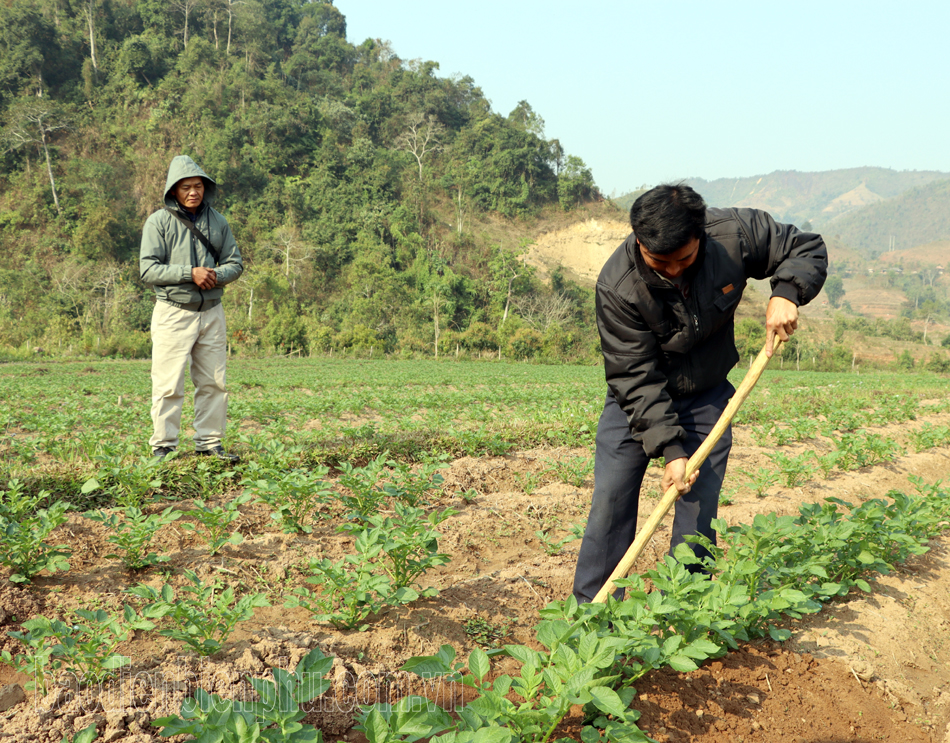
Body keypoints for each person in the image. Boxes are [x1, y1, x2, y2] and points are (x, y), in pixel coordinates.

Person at [573, 183, 827, 603]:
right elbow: (634, 375)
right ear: (640, 241)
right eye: (660, 262)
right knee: (612, 502)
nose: (673, 270)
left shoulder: (734, 234)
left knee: (698, 509)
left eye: (684, 259)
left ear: (701, 237)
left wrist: (786, 291)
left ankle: (685, 608)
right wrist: (672, 452)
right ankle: (592, 615)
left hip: (708, 397)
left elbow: (804, 247)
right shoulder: (618, 285)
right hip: (636, 400)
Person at [140, 155, 243, 462]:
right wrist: (190, 273)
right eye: (186, 187)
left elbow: (235, 263)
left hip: (212, 312)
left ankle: (210, 444)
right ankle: (164, 447)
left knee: (213, 382)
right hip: (173, 311)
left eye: (198, 186)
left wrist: (216, 276)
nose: (193, 192)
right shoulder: (158, 222)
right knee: (168, 382)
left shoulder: (218, 221)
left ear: (205, 188)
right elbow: (148, 270)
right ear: (174, 191)